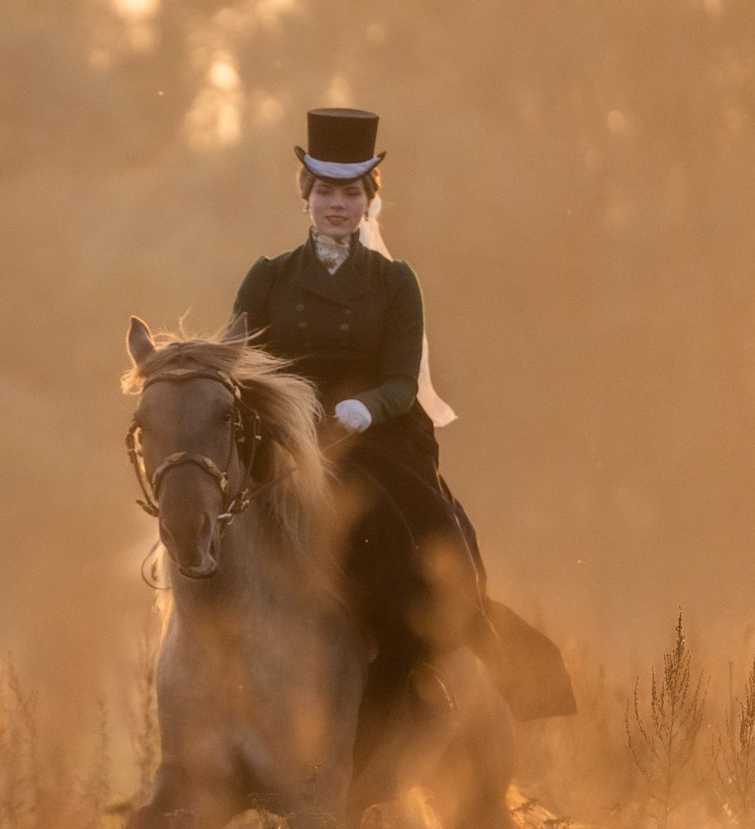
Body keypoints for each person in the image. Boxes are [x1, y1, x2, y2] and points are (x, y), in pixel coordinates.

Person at [231, 106, 568, 741]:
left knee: (427, 535)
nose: (337, 204)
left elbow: (402, 377)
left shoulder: (395, 283)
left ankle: (419, 661)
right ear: (306, 198)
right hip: (285, 439)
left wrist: (364, 407)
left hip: (372, 439)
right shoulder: (269, 277)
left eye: (350, 193)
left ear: (368, 202)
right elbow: (239, 360)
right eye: (325, 191)